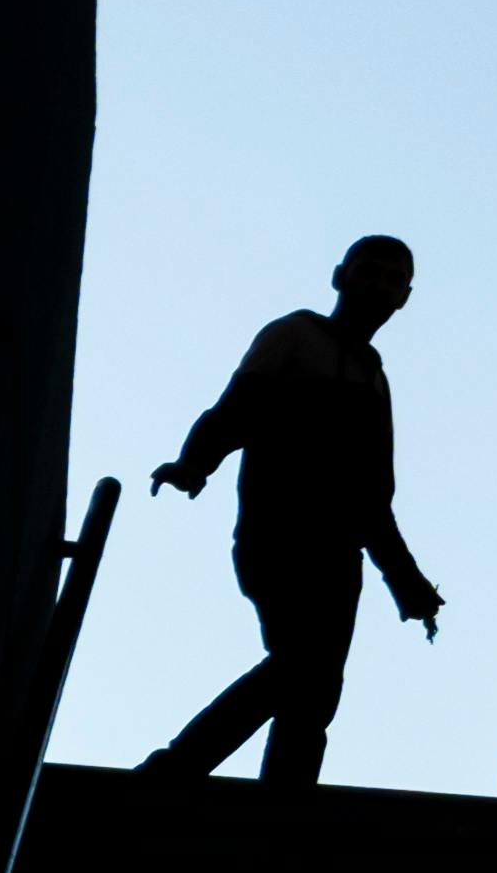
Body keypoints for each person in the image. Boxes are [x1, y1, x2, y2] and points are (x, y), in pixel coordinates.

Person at [146, 235, 448, 786]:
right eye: (369, 272)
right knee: (299, 667)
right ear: (340, 276)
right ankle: (176, 767)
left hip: (338, 558)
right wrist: (194, 463)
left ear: (405, 297)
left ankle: (283, 799)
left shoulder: (376, 382)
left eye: (392, 279)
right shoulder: (294, 336)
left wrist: (409, 586)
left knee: (315, 692)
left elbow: (373, 503)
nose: (379, 285)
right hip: (276, 535)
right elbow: (236, 409)